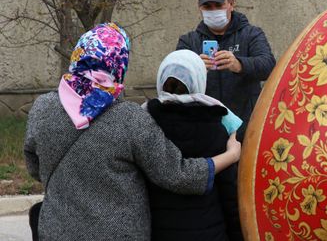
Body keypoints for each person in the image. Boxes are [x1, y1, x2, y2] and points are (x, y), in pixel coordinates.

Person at [23, 23, 241, 241]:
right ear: (119, 64)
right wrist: (230, 156)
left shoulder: (42, 107)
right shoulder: (130, 119)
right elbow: (178, 175)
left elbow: (35, 167)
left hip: (56, 231)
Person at [144, 50, 243, 241]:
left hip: (160, 231)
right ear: (199, 80)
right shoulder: (216, 128)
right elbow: (229, 195)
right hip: (210, 232)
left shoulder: (146, 124)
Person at [176, 0, 276, 142]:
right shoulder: (189, 41)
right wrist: (195, 68)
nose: (213, 10)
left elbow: (269, 67)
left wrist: (239, 64)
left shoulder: (252, 34)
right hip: (204, 129)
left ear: (231, 3)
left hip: (247, 128)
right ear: (199, 8)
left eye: (219, 5)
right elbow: (175, 81)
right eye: (207, 7)